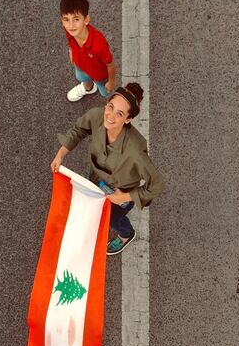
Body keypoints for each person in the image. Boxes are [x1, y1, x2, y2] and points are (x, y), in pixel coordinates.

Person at [49, 83, 165, 257]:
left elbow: (156, 184)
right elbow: (79, 130)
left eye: (119, 114)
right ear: (106, 104)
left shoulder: (135, 149)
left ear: (128, 119)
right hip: (96, 180)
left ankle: (127, 234)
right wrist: (60, 155)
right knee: (95, 210)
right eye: (110, 107)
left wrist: (123, 197)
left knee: (113, 219)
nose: (110, 116)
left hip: (121, 192)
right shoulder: (97, 116)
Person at [60, 0, 117, 103]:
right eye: (66, 19)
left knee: (105, 92)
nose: (71, 25)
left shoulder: (98, 44)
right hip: (80, 65)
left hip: (99, 76)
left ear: (86, 20)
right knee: (82, 77)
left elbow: (110, 65)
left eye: (76, 19)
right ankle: (88, 88)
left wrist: (111, 82)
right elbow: (70, 41)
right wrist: (71, 51)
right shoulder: (69, 31)